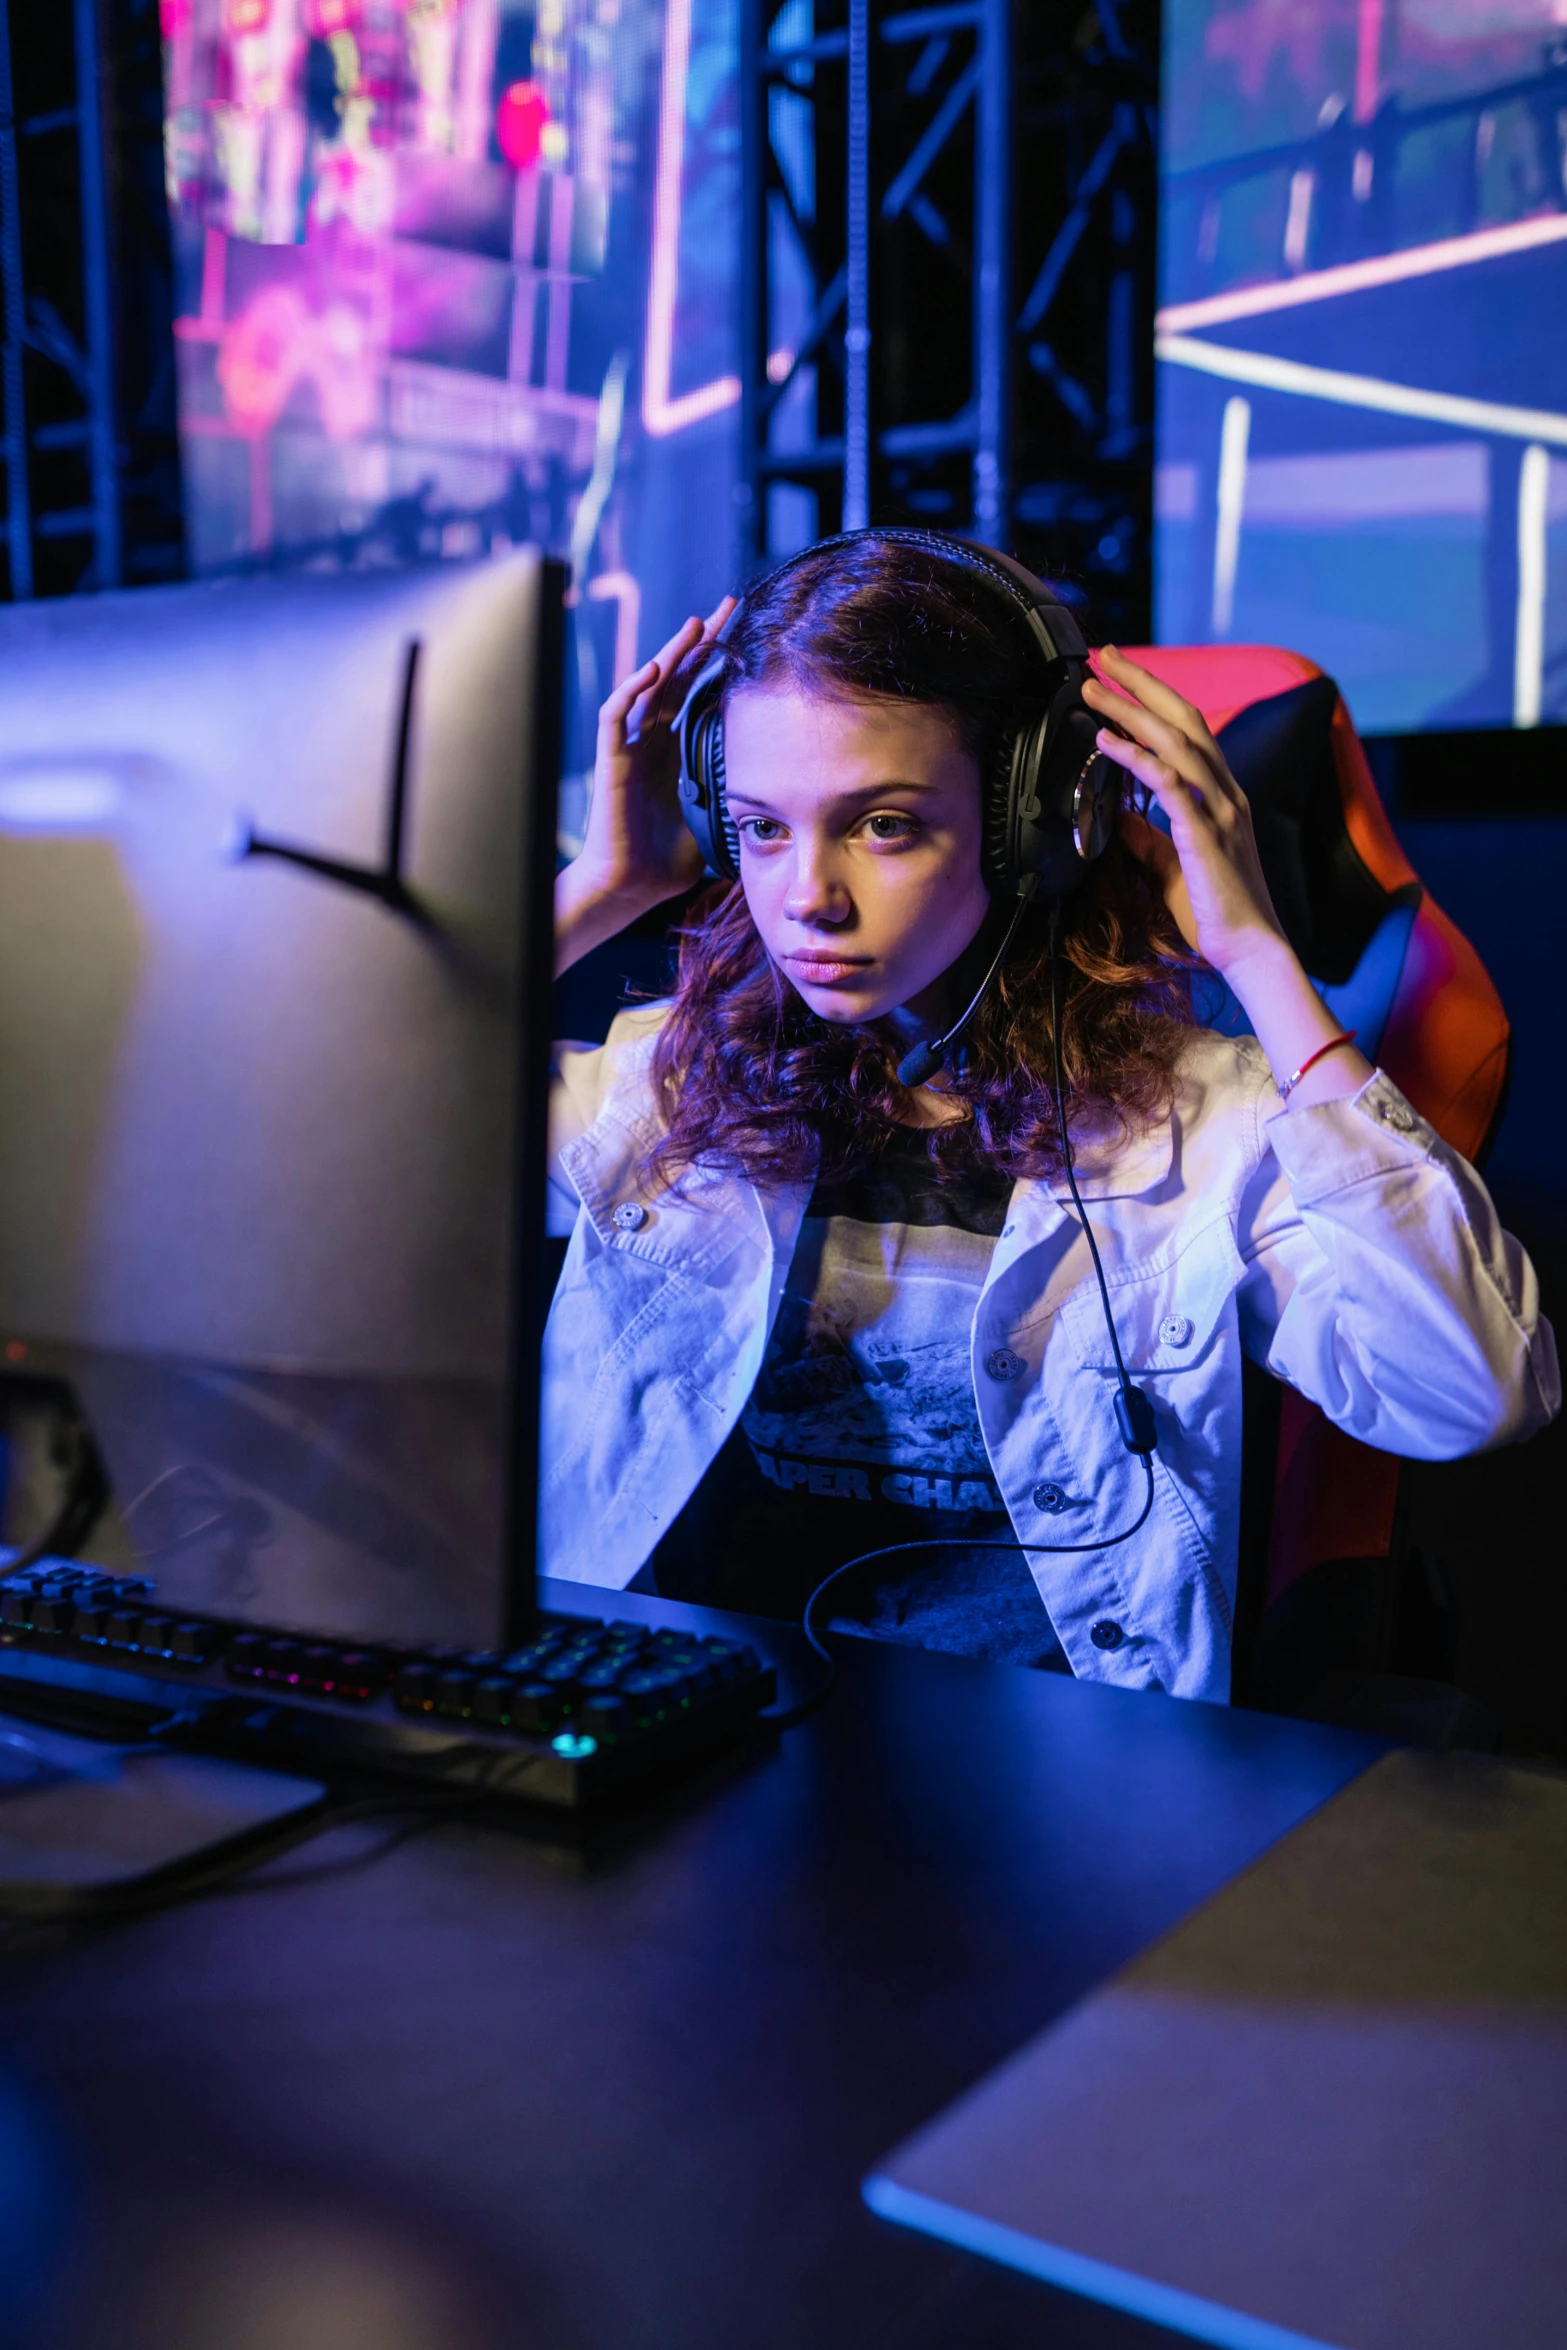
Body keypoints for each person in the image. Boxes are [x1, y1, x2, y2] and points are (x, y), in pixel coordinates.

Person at [543, 532, 1558, 1701]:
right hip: (690, 1740)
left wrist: (1253, 949)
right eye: (761, 826)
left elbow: (1474, 1390)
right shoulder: (662, 1089)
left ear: (1038, 820)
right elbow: (303, 1176)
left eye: (881, 825)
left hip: (1051, 1787)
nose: (804, 898)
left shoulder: (1204, 1127)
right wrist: (592, 893)